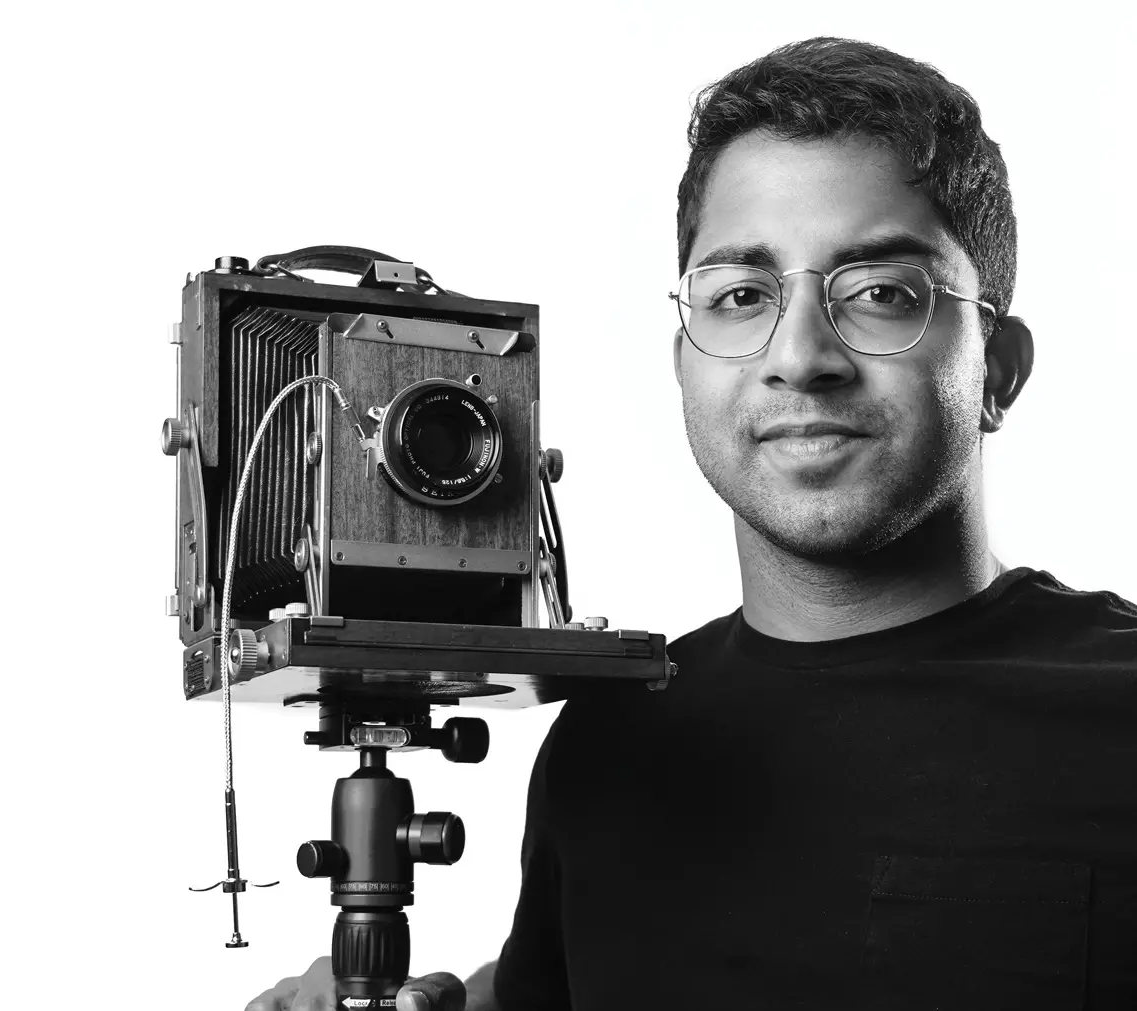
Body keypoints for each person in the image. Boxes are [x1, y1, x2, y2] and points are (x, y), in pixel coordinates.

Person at [247, 36, 1137, 1011]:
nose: (797, 357)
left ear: (997, 370)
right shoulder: (608, 745)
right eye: (740, 296)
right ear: (684, 364)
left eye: (879, 294)